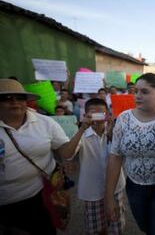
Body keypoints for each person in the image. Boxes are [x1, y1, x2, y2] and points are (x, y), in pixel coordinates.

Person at [0, 79, 83, 235]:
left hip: (41, 196)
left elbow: (66, 152)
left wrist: (81, 130)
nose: (14, 102)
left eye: (19, 98)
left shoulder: (45, 123)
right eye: (6, 98)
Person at [106, 73, 155, 235]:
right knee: (145, 227)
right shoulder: (123, 119)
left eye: (144, 92)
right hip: (134, 188)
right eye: (136, 91)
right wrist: (108, 197)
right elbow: (115, 157)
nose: (137, 96)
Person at [61, 98, 126, 235]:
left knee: (116, 226)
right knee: (95, 229)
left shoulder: (116, 132)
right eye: (92, 114)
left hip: (115, 187)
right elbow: (67, 154)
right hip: (92, 191)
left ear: (107, 114)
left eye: (101, 113)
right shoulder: (82, 134)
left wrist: (114, 130)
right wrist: (82, 128)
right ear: (85, 115)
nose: (97, 117)